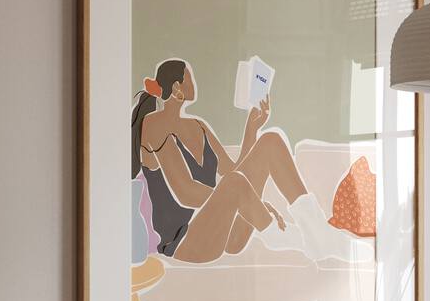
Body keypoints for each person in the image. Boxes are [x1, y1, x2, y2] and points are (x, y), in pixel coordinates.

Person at [131, 58, 371, 265]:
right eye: (189, 78)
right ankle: (285, 237)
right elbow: (186, 193)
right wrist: (255, 205)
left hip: (223, 231)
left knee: (271, 141)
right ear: (177, 88)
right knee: (235, 184)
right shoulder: (154, 124)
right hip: (184, 243)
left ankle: (318, 233)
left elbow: (233, 171)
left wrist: (251, 129)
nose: (194, 83)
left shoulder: (198, 126)